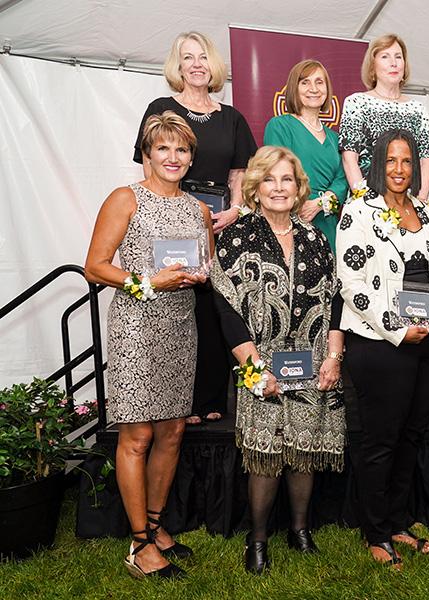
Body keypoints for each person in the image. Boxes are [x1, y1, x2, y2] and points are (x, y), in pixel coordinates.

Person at [85, 111, 213, 578]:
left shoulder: (198, 210)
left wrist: (203, 276)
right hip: (136, 326)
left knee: (173, 432)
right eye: (163, 148)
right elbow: (95, 266)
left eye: (182, 149)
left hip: (181, 326)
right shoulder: (126, 199)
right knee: (137, 435)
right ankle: (139, 545)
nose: (173, 157)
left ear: (191, 157)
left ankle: (157, 526)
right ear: (146, 153)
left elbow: (207, 269)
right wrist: (148, 283)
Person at [210, 146, 345, 573]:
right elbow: (225, 307)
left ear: (298, 186)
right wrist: (253, 369)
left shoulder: (314, 237)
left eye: (287, 179)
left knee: (304, 448)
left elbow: (336, 298)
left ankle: (301, 530)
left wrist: (334, 357)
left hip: (311, 358)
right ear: (255, 186)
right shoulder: (236, 236)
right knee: (266, 455)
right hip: (260, 360)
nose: (279, 188)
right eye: (270, 179)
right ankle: (258, 539)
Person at [336, 129, 429, 568]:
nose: (400, 170)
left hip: (428, 342)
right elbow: (351, 285)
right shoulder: (358, 211)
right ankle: (375, 530)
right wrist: (397, 330)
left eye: (407, 161)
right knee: (381, 440)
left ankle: (398, 520)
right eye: (391, 161)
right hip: (381, 344)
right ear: (377, 163)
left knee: (411, 435)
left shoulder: (424, 211)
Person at [134, 31, 257, 425]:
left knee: (215, 307)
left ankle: (209, 398)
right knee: (176, 305)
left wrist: (235, 209)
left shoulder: (232, 117)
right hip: (173, 222)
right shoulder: (161, 107)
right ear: (178, 66)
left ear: (214, 64)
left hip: (223, 224)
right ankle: (176, 401)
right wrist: (162, 213)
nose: (197, 64)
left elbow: (240, 173)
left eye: (203, 57)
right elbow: (148, 165)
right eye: (188, 58)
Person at [263, 60, 349, 253]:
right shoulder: (280, 126)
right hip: (291, 219)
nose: (313, 88)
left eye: (319, 82)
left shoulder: (336, 139)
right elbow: (275, 172)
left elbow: (342, 181)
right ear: (294, 87)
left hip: (327, 223)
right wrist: (302, 206)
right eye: (305, 82)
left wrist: (320, 204)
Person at [339, 34, 429, 199]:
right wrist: (366, 202)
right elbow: (349, 159)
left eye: (398, 56)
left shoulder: (418, 109)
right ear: (372, 66)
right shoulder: (357, 103)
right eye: (385, 56)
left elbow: (426, 160)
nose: (393, 63)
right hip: (366, 205)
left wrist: (420, 202)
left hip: (408, 206)